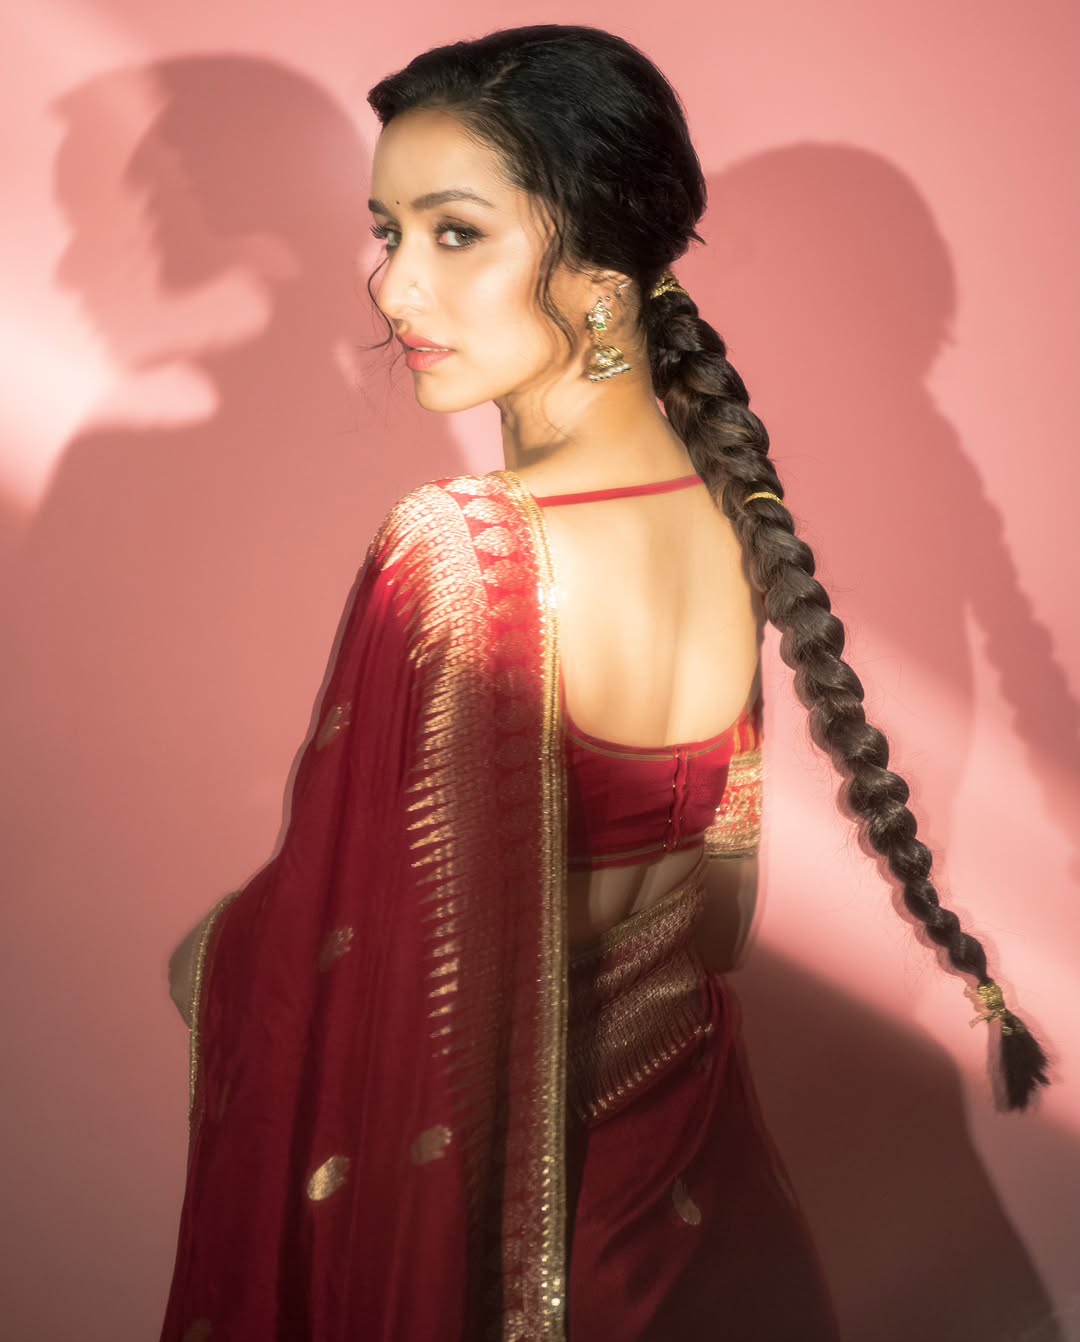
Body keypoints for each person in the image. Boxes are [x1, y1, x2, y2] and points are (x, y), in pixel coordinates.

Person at [158, 24, 1050, 1342]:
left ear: (604, 273)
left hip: (514, 1240)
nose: (394, 290)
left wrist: (221, 958)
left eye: (456, 233)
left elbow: (324, 965)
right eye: (388, 233)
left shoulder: (460, 551)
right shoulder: (727, 516)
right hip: (695, 1205)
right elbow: (721, 918)